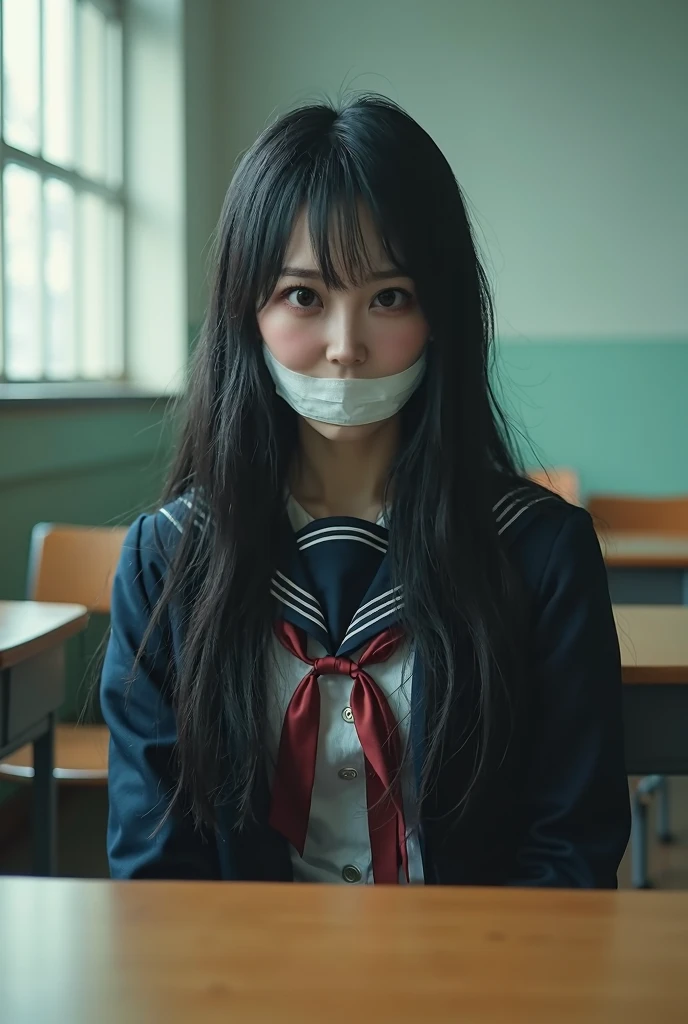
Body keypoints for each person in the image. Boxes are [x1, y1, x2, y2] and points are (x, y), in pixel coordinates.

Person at [101, 94, 630, 886]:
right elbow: (153, 865)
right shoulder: (167, 560)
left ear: (442, 314)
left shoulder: (541, 553)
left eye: (389, 298)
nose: (346, 348)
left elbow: (570, 849)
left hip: (478, 979)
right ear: (247, 314)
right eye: (304, 297)